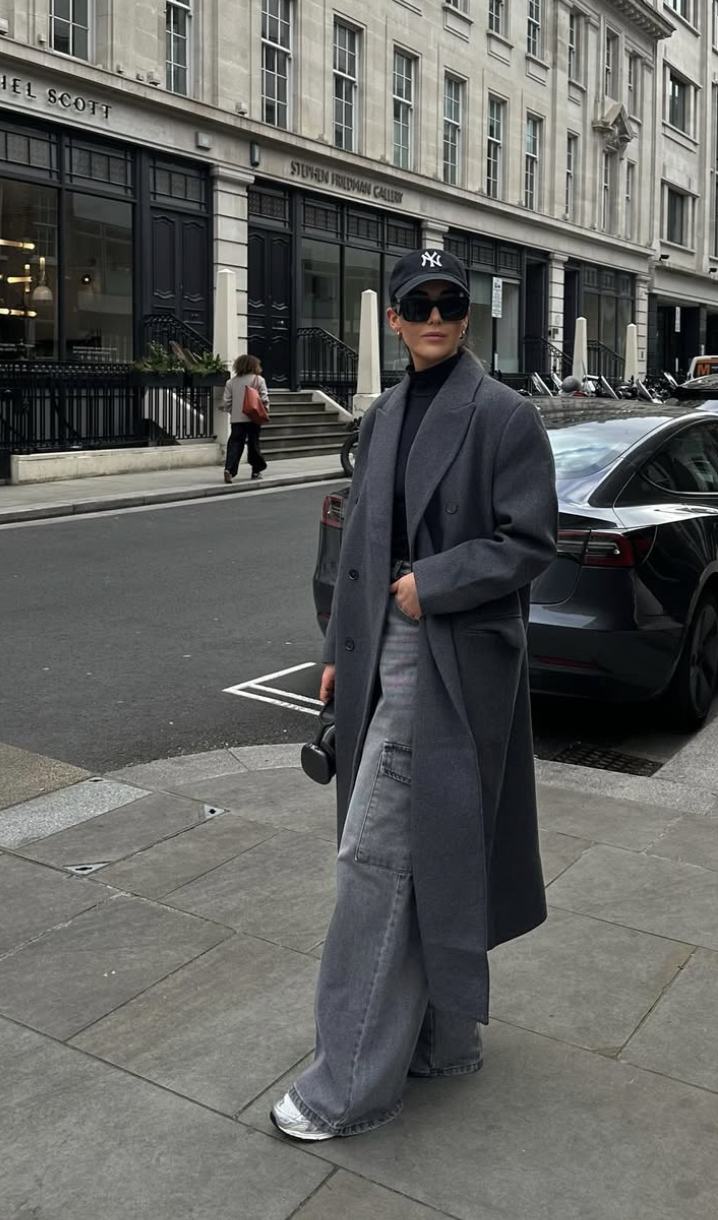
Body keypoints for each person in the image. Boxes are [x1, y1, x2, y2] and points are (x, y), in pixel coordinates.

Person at [270, 248, 558, 1141]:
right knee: (417, 850)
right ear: (393, 319)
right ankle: (441, 1041)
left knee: (376, 861)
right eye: (417, 305)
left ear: (467, 316)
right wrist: (334, 651)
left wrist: (433, 581)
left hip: (446, 660)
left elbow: (530, 541)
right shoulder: (384, 411)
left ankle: (347, 1085)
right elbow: (358, 542)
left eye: (450, 304)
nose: (434, 317)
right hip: (378, 654)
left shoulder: (507, 416)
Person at [223, 354, 269, 482]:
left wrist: (234, 412)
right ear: (254, 366)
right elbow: (264, 398)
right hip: (253, 418)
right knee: (253, 444)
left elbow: (227, 402)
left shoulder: (231, 382)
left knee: (235, 444)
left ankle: (229, 470)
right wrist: (265, 411)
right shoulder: (258, 380)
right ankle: (256, 470)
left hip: (237, 419)